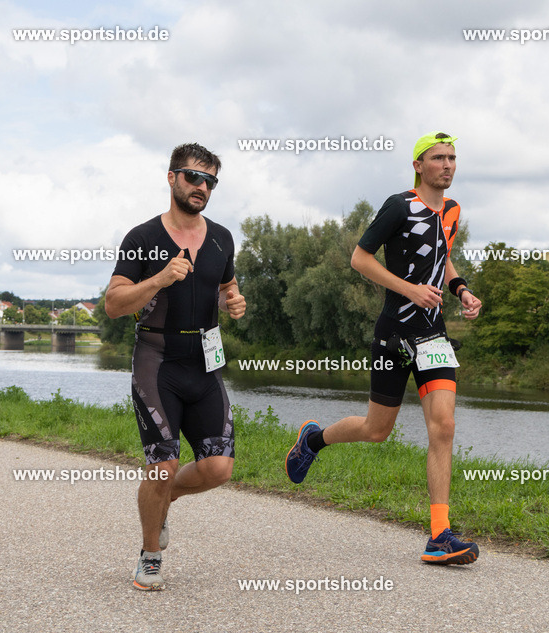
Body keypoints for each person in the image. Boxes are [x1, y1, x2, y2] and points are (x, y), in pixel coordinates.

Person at [285, 131, 483, 565]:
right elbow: (361, 258)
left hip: (433, 334)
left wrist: (462, 290)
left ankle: (439, 536)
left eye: (452, 158)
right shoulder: (400, 205)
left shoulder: (451, 211)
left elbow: (442, 257)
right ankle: (313, 440)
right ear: (418, 165)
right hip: (395, 331)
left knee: (444, 426)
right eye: (438, 158)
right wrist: (409, 289)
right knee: (378, 430)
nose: (447, 165)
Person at [104, 142, 246, 590]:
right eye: (193, 177)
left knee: (218, 468)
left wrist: (233, 300)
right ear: (171, 178)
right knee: (162, 466)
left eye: (210, 180)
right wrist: (160, 278)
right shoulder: (143, 238)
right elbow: (112, 304)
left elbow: (225, 284)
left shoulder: (222, 237)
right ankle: (150, 555)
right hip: (157, 359)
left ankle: (163, 503)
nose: (202, 186)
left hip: (204, 363)